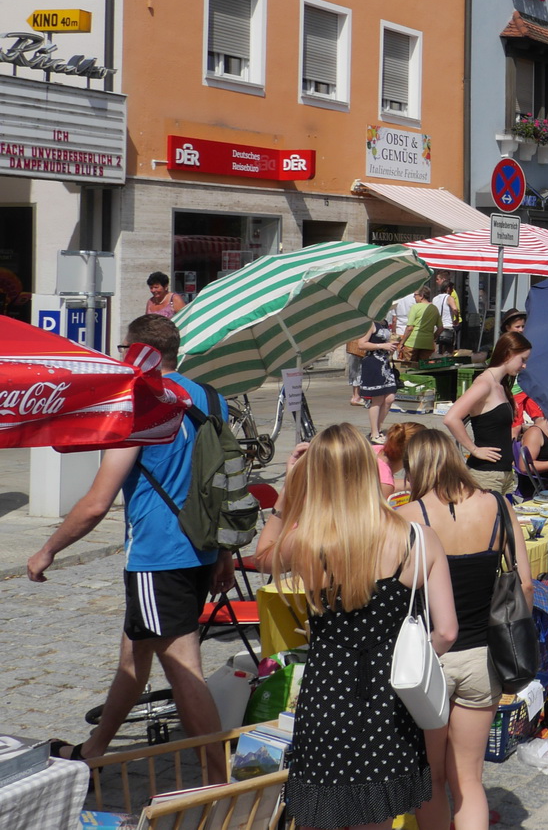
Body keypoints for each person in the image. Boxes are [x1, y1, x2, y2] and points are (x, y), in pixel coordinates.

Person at [27, 315, 230, 777]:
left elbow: (97, 503)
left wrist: (48, 550)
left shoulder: (139, 405)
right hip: (200, 548)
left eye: (124, 349)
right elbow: (220, 482)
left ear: (136, 352)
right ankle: (96, 750)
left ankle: (220, 787)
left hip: (158, 555)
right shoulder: (209, 398)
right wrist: (224, 551)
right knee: (134, 654)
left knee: (182, 669)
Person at [259, 425, 457, 830]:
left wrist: (285, 496)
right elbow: (448, 631)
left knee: (321, 814)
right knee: (376, 818)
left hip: (326, 696)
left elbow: (263, 555)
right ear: (371, 470)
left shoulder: (307, 543)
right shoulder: (418, 539)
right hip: (389, 702)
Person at [396, 427, 531, 830]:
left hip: (428, 660)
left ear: (415, 468)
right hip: (482, 657)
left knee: (431, 777)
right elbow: (524, 584)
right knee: (470, 779)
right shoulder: (498, 506)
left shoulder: (407, 517)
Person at [444, 332, 530, 496]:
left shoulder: (500, 384)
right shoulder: (484, 384)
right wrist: (474, 449)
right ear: (509, 354)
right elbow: (451, 418)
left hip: (503, 473)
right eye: (523, 359)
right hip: (486, 474)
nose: (524, 365)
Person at [356, 314, 400, 443]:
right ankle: (375, 433)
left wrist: (390, 346)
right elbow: (361, 344)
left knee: (390, 397)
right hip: (373, 363)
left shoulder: (384, 323)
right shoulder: (370, 323)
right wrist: (382, 346)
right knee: (377, 399)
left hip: (384, 363)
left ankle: (378, 429)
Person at [403, 286, 439, 363]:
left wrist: (401, 343)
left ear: (421, 296)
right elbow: (441, 328)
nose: (414, 297)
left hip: (412, 342)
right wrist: (432, 337)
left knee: (409, 366)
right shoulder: (434, 308)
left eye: (415, 295)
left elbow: (410, 328)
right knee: (424, 367)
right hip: (428, 343)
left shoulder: (415, 307)